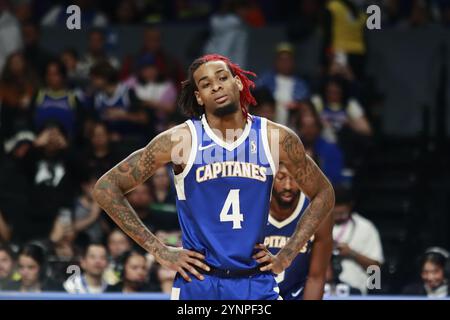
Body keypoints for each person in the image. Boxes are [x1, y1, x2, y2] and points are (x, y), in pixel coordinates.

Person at [93, 53, 335, 300]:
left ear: (238, 82)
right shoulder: (180, 140)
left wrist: (288, 253)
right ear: (199, 96)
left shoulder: (275, 138)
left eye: (222, 78)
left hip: (255, 282)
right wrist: (159, 250)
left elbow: (324, 193)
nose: (216, 86)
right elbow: (106, 188)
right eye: (206, 84)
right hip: (199, 282)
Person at [264, 163, 333, 300]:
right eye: (281, 178)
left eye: (294, 178)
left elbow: (316, 277)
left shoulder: (318, 213)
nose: (288, 186)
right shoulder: (254, 208)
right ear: (270, 178)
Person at [332, 185, 384, 294]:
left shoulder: (365, 228)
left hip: (355, 293)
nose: (338, 217)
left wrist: (352, 254)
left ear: (350, 206)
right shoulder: (318, 226)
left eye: (342, 213)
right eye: (334, 214)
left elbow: (376, 269)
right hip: (324, 292)